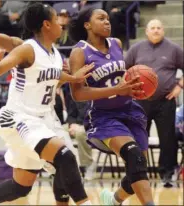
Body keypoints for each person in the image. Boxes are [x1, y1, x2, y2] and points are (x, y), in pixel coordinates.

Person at [0, 3, 95, 205]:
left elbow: (52, 78)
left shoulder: (55, 55)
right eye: (57, 17)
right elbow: (0, 66)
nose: (61, 21)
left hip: (46, 119)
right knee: (65, 157)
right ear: (46, 24)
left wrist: (73, 78)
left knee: (21, 187)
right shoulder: (26, 49)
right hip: (20, 117)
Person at [68, 7, 155, 206]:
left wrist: (136, 85)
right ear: (87, 25)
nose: (107, 22)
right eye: (101, 18)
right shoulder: (79, 52)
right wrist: (117, 89)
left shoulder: (116, 43)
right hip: (104, 115)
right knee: (133, 155)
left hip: (130, 110)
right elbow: (78, 93)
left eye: (108, 18)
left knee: (139, 167)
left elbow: (123, 79)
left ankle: (113, 201)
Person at [124, 19, 184, 185]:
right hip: (140, 101)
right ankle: (137, 172)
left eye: (159, 28)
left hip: (165, 101)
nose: (156, 30)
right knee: (138, 137)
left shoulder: (174, 49)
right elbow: (124, 70)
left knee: (168, 139)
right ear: (147, 31)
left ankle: (167, 173)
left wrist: (179, 85)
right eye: (153, 28)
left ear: (163, 31)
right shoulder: (136, 49)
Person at [66, 91, 97, 181]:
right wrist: (71, 124)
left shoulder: (97, 93)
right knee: (58, 132)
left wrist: (82, 126)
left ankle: (89, 164)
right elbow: (71, 114)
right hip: (77, 125)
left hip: (93, 126)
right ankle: (63, 168)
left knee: (80, 133)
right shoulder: (75, 94)